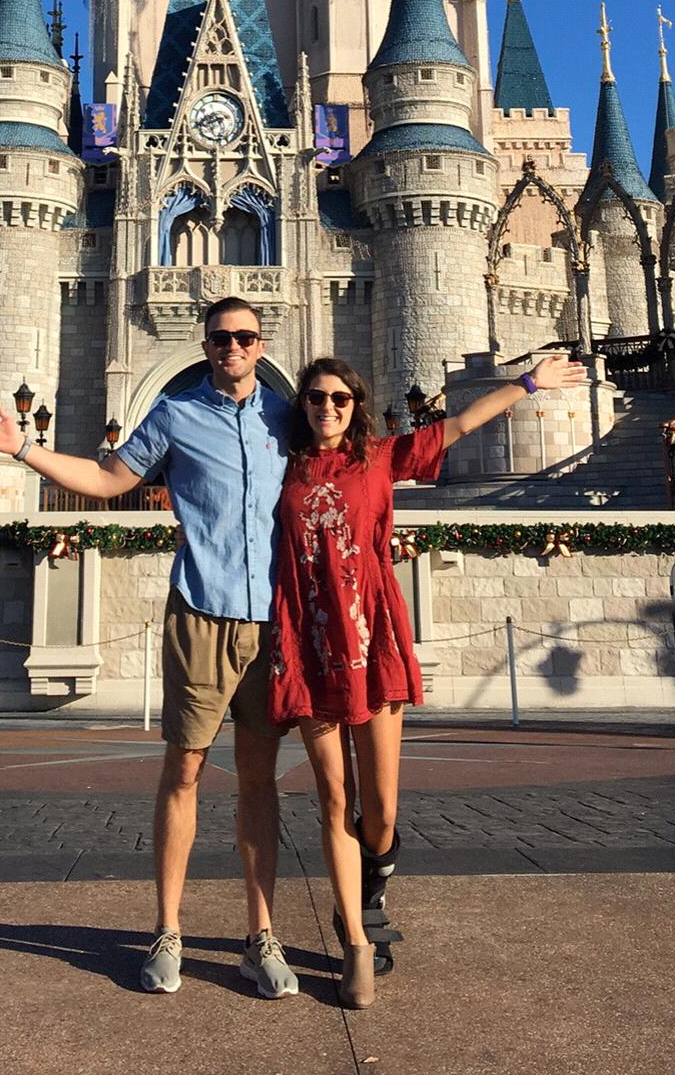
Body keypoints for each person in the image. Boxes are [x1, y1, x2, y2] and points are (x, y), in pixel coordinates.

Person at [0, 297, 299, 1000]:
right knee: (184, 772)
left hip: (272, 623)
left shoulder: (287, 418)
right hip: (201, 613)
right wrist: (19, 447)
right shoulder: (178, 416)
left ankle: (260, 937)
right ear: (205, 346)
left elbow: (370, 467)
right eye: (219, 338)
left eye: (243, 337)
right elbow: (110, 479)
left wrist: (520, 388)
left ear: (261, 342)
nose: (230, 348)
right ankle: (168, 931)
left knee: (260, 783)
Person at [269, 350, 585, 1008]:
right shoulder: (283, 467)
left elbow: (462, 424)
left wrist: (527, 383)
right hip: (310, 643)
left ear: (355, 407)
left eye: (338, 399)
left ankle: (371, 886)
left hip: (372, 637)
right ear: (300, 406)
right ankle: (354, 938)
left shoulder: (379, 458)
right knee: (332, 801)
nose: (326, 407)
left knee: (379, 810)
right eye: (315, 398)